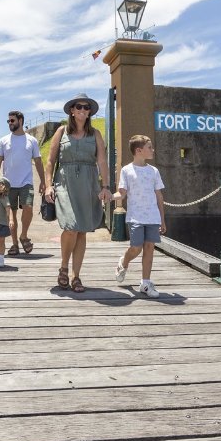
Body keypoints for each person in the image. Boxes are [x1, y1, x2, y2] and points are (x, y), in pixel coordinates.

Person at [43, 93, 112, 292]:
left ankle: (76, 276)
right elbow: (50, 161)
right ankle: (63, 267)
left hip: (88, 184)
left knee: (82, 231)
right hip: (64, 183)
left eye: (86, 107)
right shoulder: (61, 132)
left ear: (89, 112)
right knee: (71, 226)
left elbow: (101, 161)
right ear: (72, 111)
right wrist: (48, 185)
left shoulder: (96, 134)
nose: (82, 110)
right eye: (78, 107)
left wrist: (105, 187)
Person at [113, 135, 167, 298]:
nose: (152, 150)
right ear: (139, 150)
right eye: (149, 147)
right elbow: (121, 194)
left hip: (152, 217)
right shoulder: (126, 170)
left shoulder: (154, 171)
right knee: (136, 248)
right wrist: (109, 196)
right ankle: (124, 261)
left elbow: (159, 196)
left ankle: (145, 282)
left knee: (149, 248)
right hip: (135, 216)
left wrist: (162, 219)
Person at [0, 110, 46, 255]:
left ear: (20, 121)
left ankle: (24, 235)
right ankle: (15, 244)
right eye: (8, 121)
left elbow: (38, 162)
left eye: (12, 121)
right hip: (7, 184)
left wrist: (43, 181)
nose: (10, 123)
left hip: (26, 182)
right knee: (11, 215)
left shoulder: (31, 141)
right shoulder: (4, 140)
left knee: (28, 207)